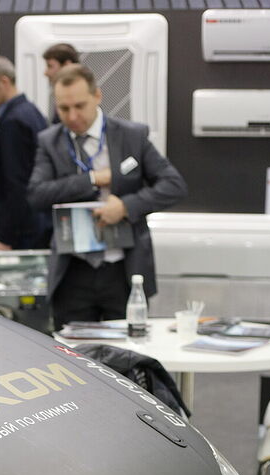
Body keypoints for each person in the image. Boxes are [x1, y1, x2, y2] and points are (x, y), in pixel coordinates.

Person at [27, 64, 187, 331]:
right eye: (64, 109)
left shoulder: (132, 136)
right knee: (73, 352)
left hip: (123, 270)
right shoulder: (49, 141)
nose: (73, 116)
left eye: (80, 106)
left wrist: (125, 206)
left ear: (97, 96)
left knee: (128, 349)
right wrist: (91, 179)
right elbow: (36, 194)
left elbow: (173, 185)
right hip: (73, 271)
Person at [0, 56, 51, 251]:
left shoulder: (14, 122)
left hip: (23, 231)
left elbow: (17, 184)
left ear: (4, 81)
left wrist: (6, 237)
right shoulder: (30, 112)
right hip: (34, 223)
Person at [43, 43, 80, 123]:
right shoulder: (62, 94)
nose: (45, 73)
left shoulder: (78, 97)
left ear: (67, 65)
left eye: (50, 66)